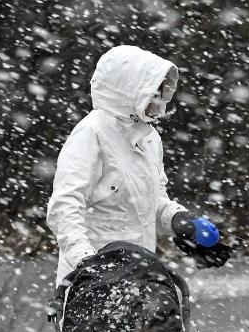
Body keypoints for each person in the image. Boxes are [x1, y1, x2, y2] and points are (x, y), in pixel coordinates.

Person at [46, 44, 228, 287]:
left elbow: (150, 203)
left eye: (160, 92)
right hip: (90, 286)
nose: (158, 100)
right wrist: (86, 262)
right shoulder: (91, 134)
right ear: (127, 90)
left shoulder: (149, 138)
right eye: (152, 92)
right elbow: (64, 208)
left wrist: (180, 222)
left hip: (139, 276)